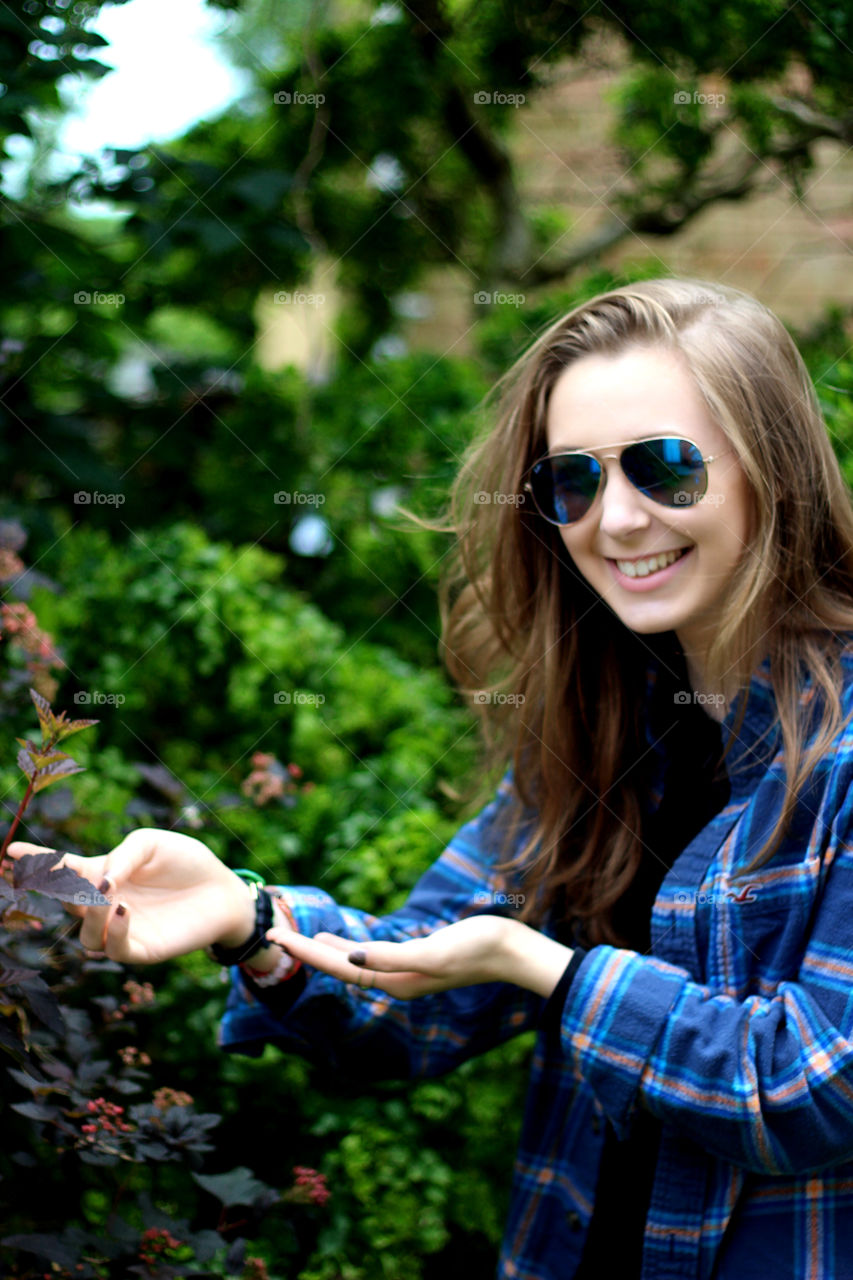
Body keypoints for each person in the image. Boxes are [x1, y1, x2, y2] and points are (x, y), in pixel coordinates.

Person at [11, 276, 853, 1279]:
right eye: (571, 482)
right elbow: (421, 990)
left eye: (664, 469)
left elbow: (803, 1087)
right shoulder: (608, 728)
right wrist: (249, 917)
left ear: (776, 471)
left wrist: (547, 967)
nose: (615, 520)